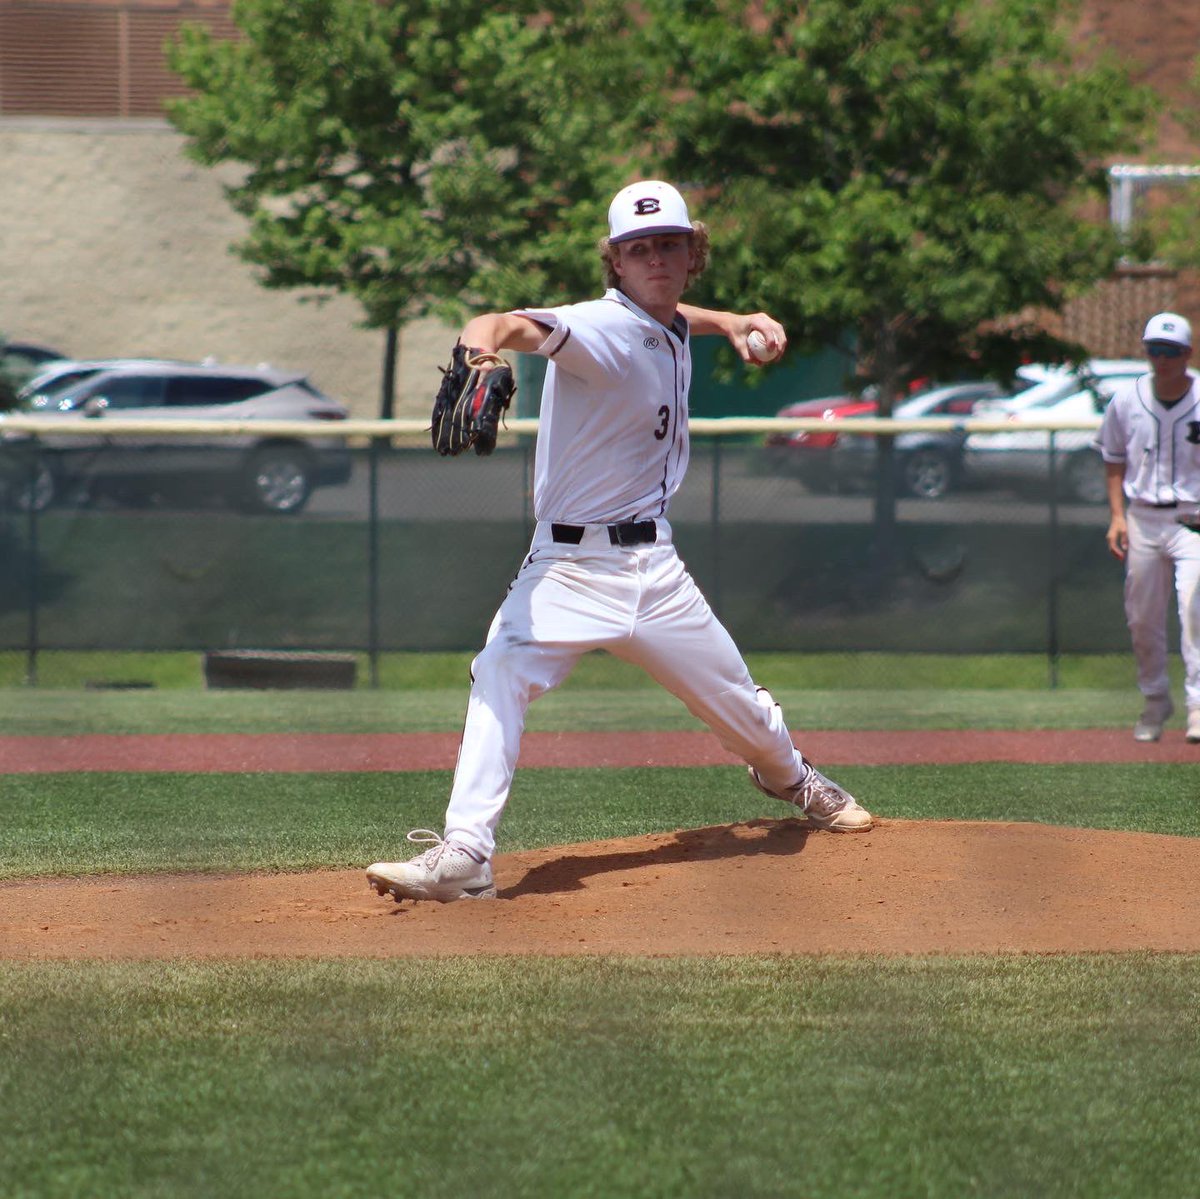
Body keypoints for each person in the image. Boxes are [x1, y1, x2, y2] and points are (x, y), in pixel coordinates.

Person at [367, 180, 871, 905]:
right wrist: (478, 355)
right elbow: (501, 323)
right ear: (616, 262)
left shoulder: (662, 317)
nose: (656, 258)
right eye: (639, 249)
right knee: (499, 671)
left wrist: (728, 321)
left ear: (691, 253)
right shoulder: (596, 328)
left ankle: (793, 779)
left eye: (670, 244)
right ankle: (467, 854)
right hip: (567, 568)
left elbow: (669, 317)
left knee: (743, 711)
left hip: (655, 568)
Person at [1095, 311, 1200, 744]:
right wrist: (1117, 516)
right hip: (1141, 516)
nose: (1161, 359)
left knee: (1194, 610)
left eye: (1170, 351)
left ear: (1187, 354)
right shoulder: (1126, 398)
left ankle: (1197, 706)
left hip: (1192, 521)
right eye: (1154, 349)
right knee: (1142, 618)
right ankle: (1156, 701)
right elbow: (1113, 459)